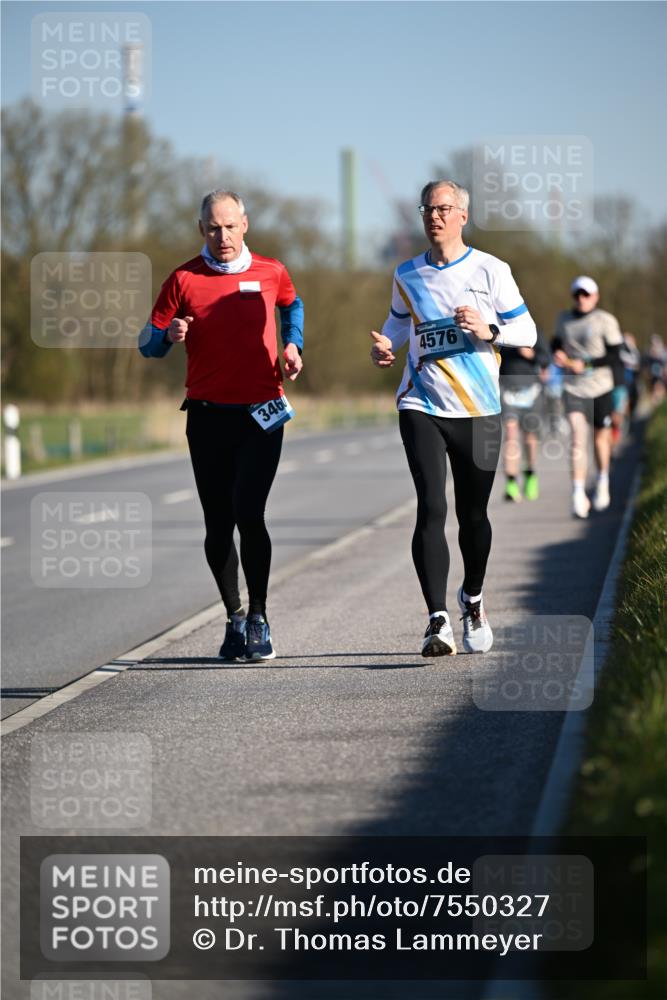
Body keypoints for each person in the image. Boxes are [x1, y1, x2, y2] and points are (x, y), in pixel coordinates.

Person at [370, 180, 536, 657]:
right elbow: (399, 322)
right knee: (431, 506)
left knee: (474, 515)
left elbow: (527, 328)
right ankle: (436, 620)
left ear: (464, 215)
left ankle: (474, 600)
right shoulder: (407, 273)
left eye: (444, 208)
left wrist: (491, 329)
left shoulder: (491, 269)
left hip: (480, 408)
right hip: (421, 401)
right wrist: (387, 346)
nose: (434, 216)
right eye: (427, 209)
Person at [139, 189, 303, 660]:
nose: (223, 236)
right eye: (213, 227)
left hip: (262, 412)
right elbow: (146, 344)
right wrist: (167, 336)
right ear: (201, 230)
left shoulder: (271, 270)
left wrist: (293, 345)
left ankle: (259, 617)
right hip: (208, 415)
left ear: (245, 224)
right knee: (217, 524)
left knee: (250, 513)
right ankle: (233, 618)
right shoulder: (183, 278)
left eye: (230, 226)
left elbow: (293, 305)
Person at [552, 275, 623, 519]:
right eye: (577, 295)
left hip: (600, 386)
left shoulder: (605, 320)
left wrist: (588, 364)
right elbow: (556, 343)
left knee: (600, 440)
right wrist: (558, 355)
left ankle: (602, 480)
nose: (581, 299)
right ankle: (578, 493)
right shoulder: (564, 319)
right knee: (576, 438)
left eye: (586, 294)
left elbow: (615, 355)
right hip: (573, 387)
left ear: (595, 296)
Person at [499, 330, 550, 501]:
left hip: (531, 392)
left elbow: (546, 359)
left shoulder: (533, 332)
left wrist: (531, 354)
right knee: (511, 434)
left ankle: (530, 472)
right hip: (508, 391)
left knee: (530, 438)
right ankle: (511, 483)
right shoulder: (497, 330)